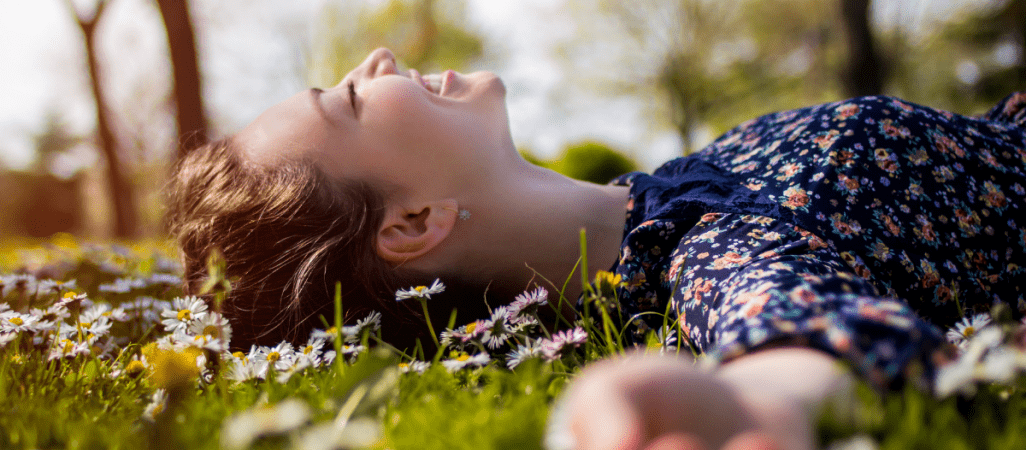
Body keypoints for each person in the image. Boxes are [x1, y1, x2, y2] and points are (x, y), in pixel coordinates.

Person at [166, 47, 1026, 449]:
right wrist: (752, 411)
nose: (378, 58)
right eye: (350, 102)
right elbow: (795, 328)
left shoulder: (675, 192)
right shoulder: (702, 250)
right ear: (412, 222)